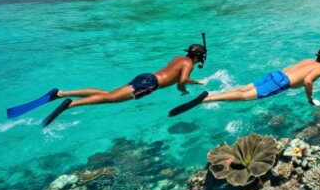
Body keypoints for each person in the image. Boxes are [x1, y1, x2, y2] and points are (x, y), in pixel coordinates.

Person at [33, 41, 207, 128]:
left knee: (108, 93)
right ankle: (71, 104)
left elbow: (173, 75)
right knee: (110, 99)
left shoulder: (179, 58)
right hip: (150, 84)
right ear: (198, 56)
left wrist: (185, 83)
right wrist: (192, 85)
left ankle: (61, 93)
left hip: (146, 76)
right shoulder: (189, 64)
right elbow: (181, 81)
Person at [169, 45, 320, 117]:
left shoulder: (308, 60)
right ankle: (207, 99)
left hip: (275, 74)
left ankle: (214, 93)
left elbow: (294, 70)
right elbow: (307, 81)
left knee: (242, 89)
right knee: (244, 97)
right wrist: (309, 98)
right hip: (280, 83)